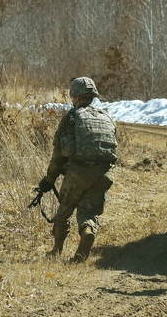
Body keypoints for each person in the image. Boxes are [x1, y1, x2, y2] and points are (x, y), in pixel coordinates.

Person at [37, 77, 118, 263]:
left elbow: (58, 155)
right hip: (105, 174)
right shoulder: (106, 117)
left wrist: (49, 180)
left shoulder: (72, 117)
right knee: (89, 212)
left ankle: (56, 250)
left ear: (77, 95)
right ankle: (86, 237)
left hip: (78, 173)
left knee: (64, 210)